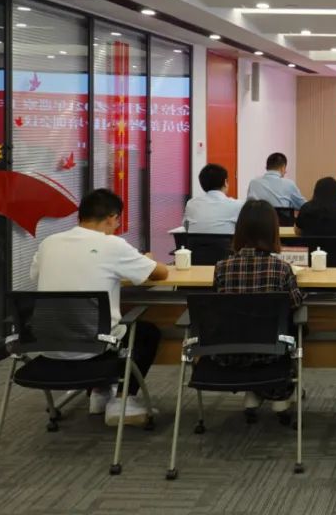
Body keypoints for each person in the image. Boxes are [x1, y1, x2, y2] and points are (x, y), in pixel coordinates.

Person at [30, 188, 168, 426]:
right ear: (112, 218)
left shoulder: (48, 243)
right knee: (145, 333)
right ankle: (122, 403)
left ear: (80, 217)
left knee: (98, 322)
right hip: (93, 345)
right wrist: (145, 260)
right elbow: (161, 273)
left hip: (48, 343)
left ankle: (99, 393)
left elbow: (36, 275)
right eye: (117, 222)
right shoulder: (113, 245)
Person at [214, 200, 304, 413]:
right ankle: (281, 390)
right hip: (271, 353)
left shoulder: (221, 268)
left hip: (229, 353)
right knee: (298, 325)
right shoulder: (281, 268)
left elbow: (218, 305)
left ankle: (254, 390)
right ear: (273, 231)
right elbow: (294, 303)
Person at [183, 163, 243, 234]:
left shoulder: (191, 204)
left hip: (195, 241)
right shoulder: (237, 205)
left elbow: (186, 227)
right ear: (225, 182)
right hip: (226, 241)